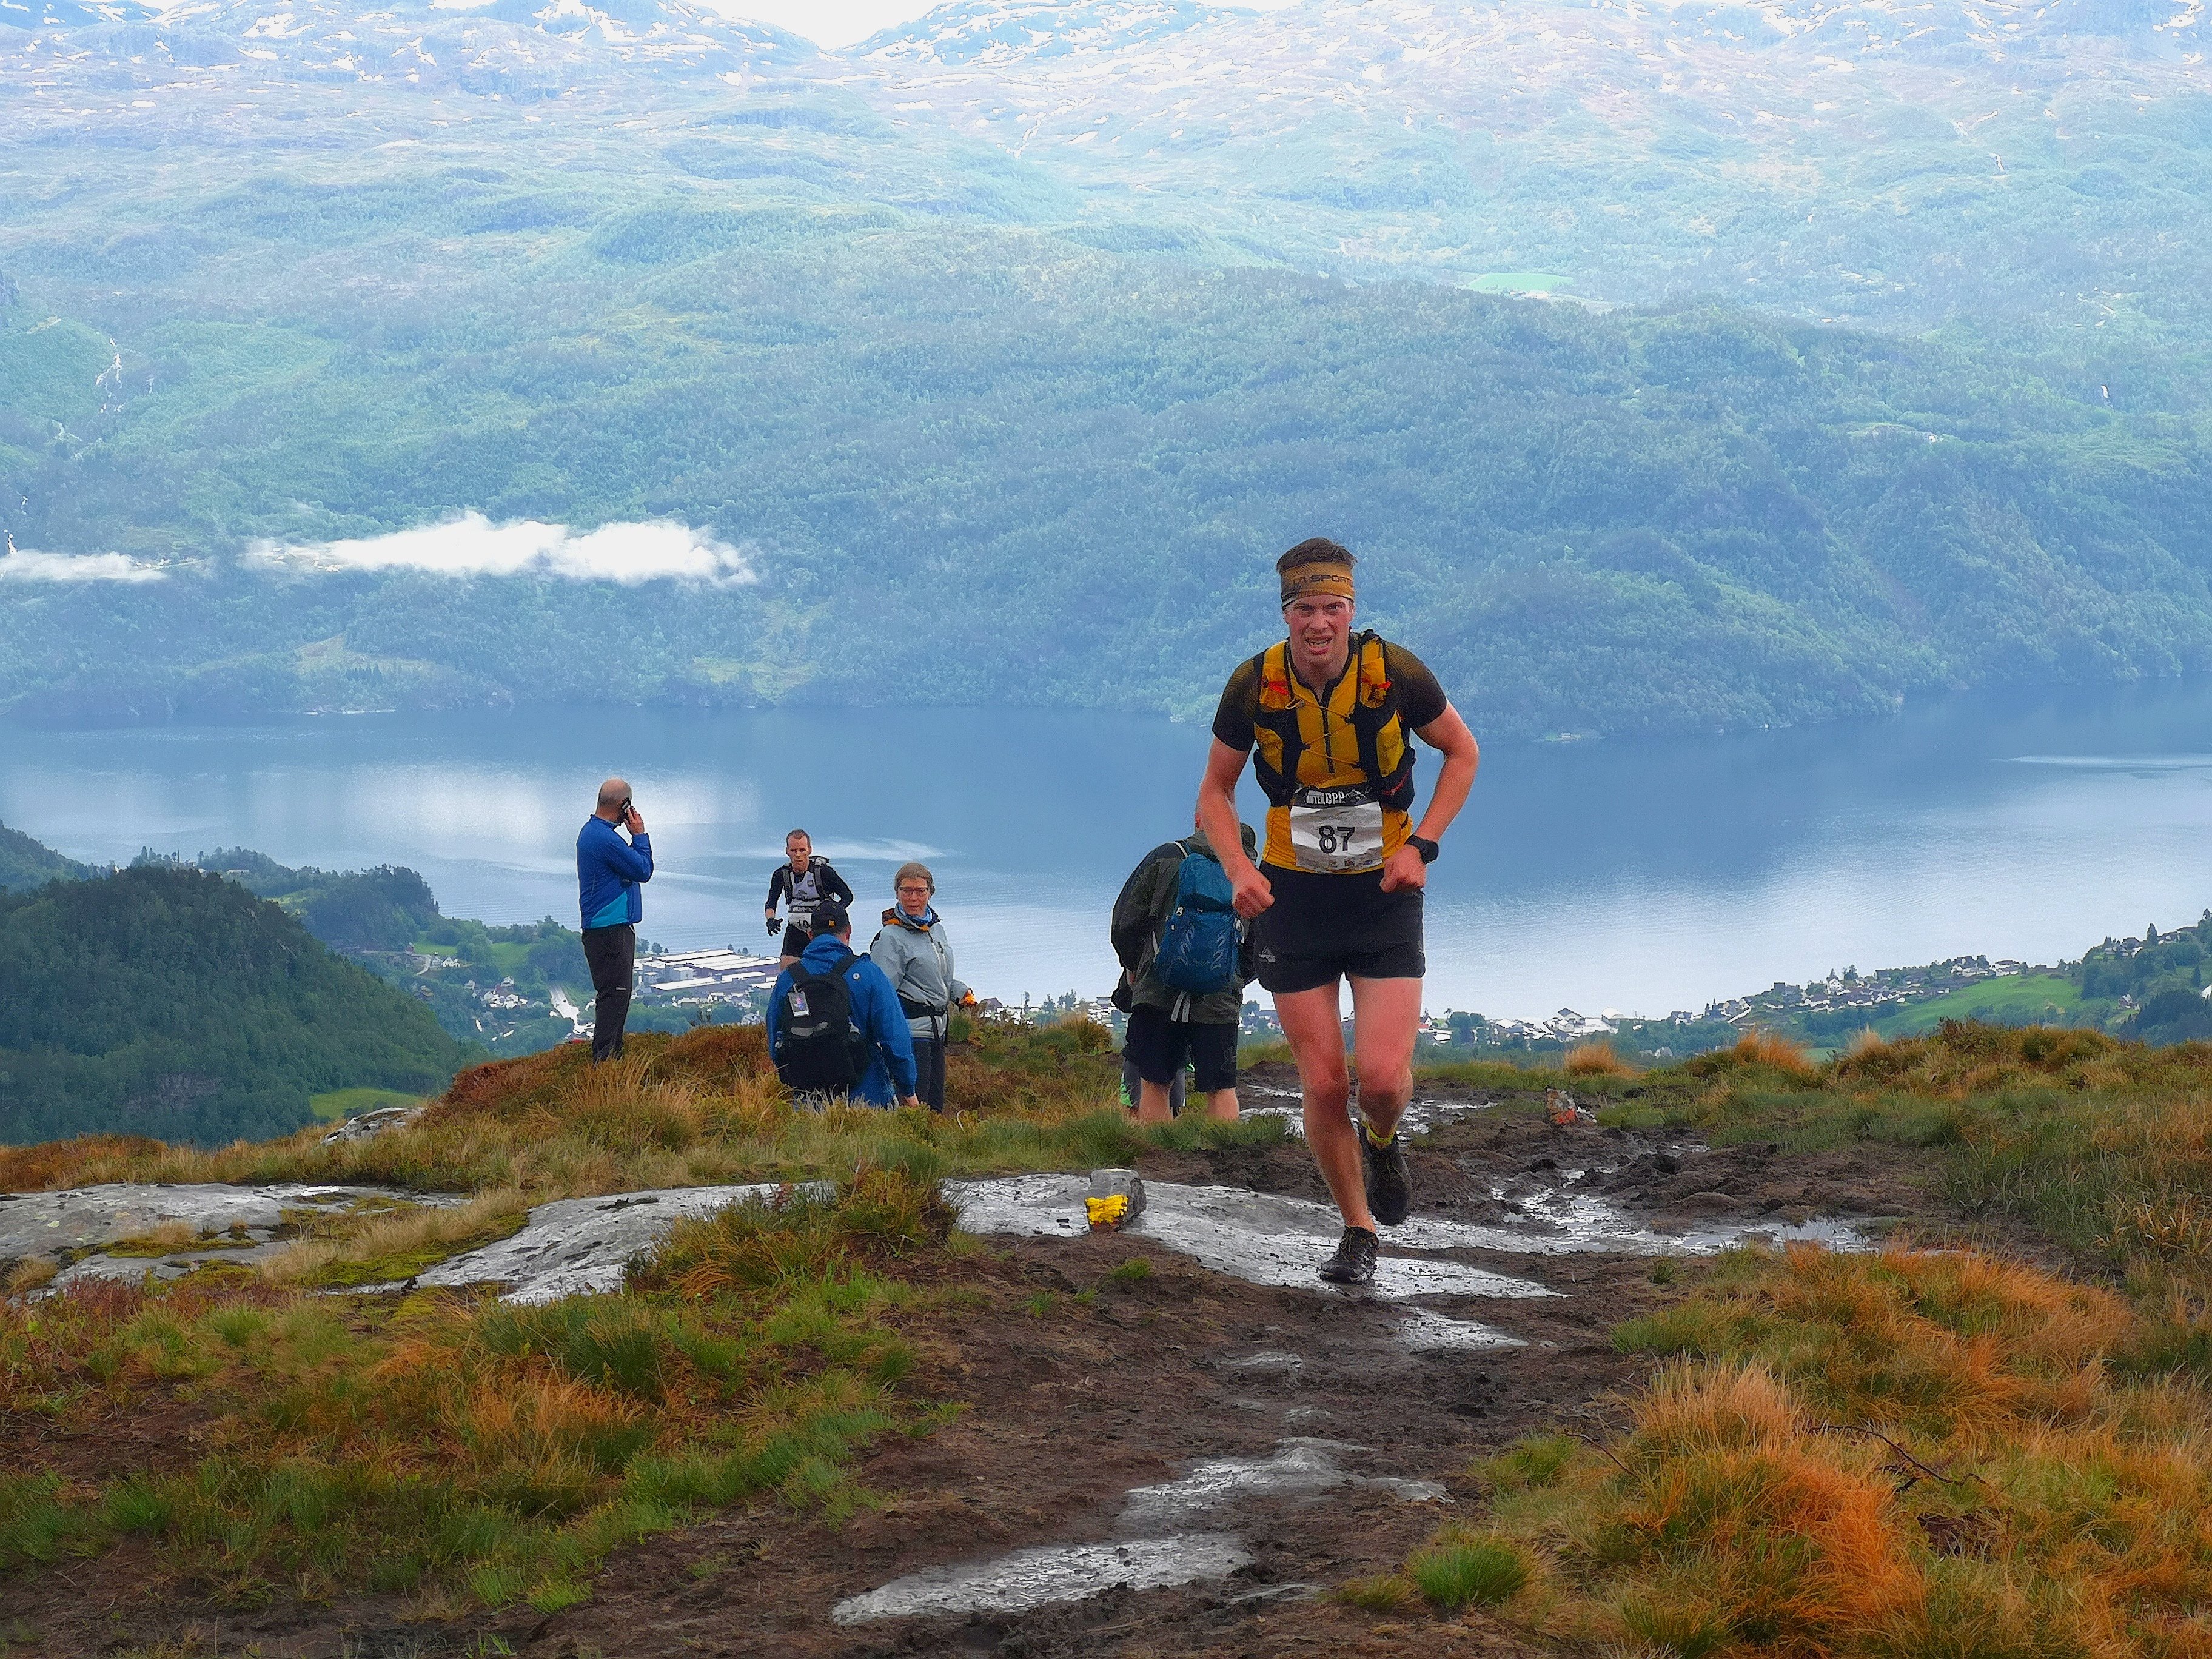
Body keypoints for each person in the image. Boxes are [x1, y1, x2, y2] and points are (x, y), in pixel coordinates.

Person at [1196, 538, 1480, 1285]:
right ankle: (1358, 1228)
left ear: (1351, 610)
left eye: (1332, 608)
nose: (1318, 623)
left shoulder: (1396, 673)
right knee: (1322, 1084)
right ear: (1285, 613)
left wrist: (1423, 845)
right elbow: (1215, 793)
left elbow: (1463, 753)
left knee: (1381, 1079)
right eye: (1304, 609)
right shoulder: (1253, 685)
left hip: (1383, 895)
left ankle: (1382, 1140)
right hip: (1293, 900)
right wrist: (1238, 870)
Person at [1110, 815, 1259, 1125]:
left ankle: (1160, 1153)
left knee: (1155, 1083)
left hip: (1158, 992)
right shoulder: (1251, 874)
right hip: (1219, 1000)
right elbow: (1262, 943)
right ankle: (1226, 1152)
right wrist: (1232, 978)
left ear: (1199, 821)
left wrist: (1136, 968)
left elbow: (1125, 923)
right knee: (1221, 1088)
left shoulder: (1166, 857)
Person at [766, 901, 922, 1108]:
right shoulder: (868, 974)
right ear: (848, 932)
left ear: (810, 935)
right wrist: (908, 1089)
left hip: (808, 1103)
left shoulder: (788, 979)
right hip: (867, 1099)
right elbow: (895, 1039)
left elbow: (775, 1040)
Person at [868, 861, 973, 1113]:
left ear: (930, 893)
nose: (913, 898)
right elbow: (882, 992)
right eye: (906, 891)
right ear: (897, 893)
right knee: (914, 1110)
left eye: (920, 891)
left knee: (934, 1108)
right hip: (911, 1035)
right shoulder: (891, 937)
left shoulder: (936, 930)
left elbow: (940, 980)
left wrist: (959, 992)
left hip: (937, 1031)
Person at [575, 777, 654, 1064]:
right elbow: (643, 870)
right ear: (624, 805)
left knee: (614, 996)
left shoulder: (593, 832)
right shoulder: (606, 839)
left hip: (603, 930)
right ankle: (606, 1063)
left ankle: (611, 1061)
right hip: (610, 930)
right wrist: (640, 836)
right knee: (615, 996)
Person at [764, 829, 854, 968]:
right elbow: (771, 902)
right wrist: (770, 920)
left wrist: (832, 914)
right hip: (796, 928)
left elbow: (847, 896)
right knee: (787, 969)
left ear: (809, 850)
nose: (798, 855)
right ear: (787, 851)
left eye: (802, 850)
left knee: (828, 968)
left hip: (824, 931)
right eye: (793, 851)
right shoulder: (781, 874)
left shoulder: (824, 872)